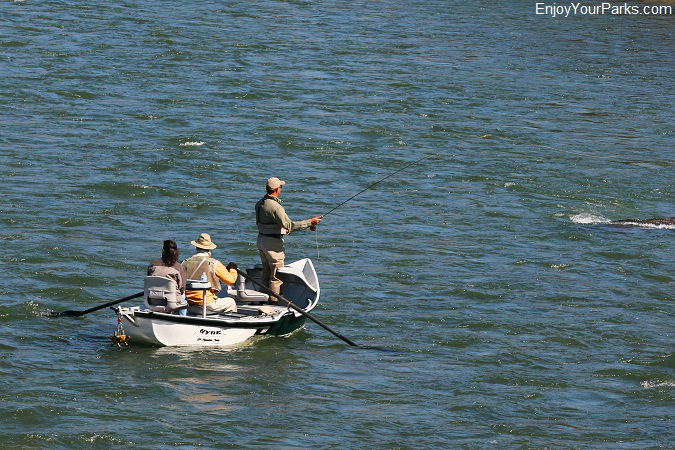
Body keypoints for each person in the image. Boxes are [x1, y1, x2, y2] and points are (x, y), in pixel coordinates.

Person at [255, 177, 322, 300]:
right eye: (281, 187)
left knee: (266, 274)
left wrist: (282, 229)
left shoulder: (260, 203)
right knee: (276, 276)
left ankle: (260, 300)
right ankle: (273, 302)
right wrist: (310, 222)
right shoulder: (276, 207)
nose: (281, 188)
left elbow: (266, 223)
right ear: (276, 189)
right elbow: (289, 225)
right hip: (273, 244)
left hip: (262, 240)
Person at [181, 233, 239, 314]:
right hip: (205, 303)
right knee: (231, 302)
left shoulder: (185, 262)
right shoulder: (214, 263)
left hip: (188, 303)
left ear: (196, 247)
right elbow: (230, 281)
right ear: (209, 249)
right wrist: (232, 269)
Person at [147, 240, 188, 315]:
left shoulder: (152, 264)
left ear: (163, 250)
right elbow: (182, 288)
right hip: (172, 302)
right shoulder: (180, 268)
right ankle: (182, 318)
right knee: (184, 297)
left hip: (153, 300)